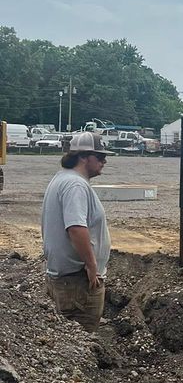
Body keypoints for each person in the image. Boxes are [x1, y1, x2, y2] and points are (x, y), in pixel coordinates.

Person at [41, 131, 111, 332]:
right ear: (82, 157)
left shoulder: (62, 179)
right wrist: (91, 266)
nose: (104, 161)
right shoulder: (75, 185)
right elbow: (76, 228)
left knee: (68, 339)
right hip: (78, 282)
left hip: (66, 279)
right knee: (83, 338)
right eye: (99, 156)